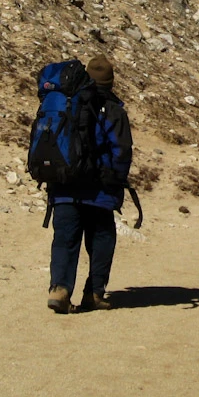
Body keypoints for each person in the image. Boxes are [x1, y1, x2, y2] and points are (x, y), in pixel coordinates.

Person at [47, 55, 133, 313]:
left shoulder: (65, 103)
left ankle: (59, 290)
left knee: (65, 239)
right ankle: (94, 293)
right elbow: (121, 150)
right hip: (99, 189)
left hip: (63, 185)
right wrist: (117, 180)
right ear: (111, 82)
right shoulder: (113, 110)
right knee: (101, 238)